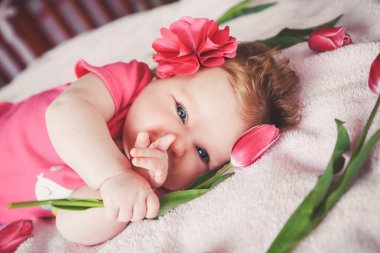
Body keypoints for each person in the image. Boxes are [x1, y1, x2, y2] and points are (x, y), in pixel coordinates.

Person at [0, 17, 301, 245]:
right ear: (162, 76)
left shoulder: (151, 183)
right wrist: (114, 175)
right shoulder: (126, 83)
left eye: (202, 152)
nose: (176, 144)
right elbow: (65, 113)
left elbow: (70, 223)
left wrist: (131, 188)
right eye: (181, 112)